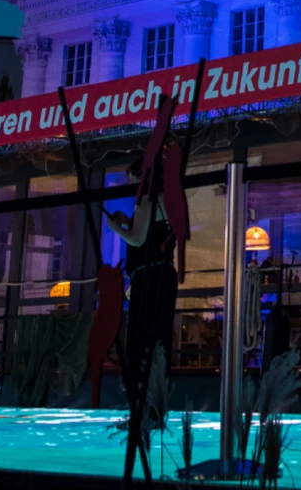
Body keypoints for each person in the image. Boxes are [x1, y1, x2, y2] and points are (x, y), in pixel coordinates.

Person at [105, 143, 184, 483]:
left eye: (135, 177)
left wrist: (117, 228)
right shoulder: (173, 200)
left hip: (148, 275)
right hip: (164, 275)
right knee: (158, 340)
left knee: (140, 340)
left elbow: (137, 239)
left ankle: (141, 410)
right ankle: (154, 407)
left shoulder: (149, 199)